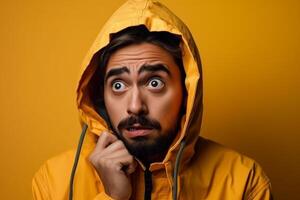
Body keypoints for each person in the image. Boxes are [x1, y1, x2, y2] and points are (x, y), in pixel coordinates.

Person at [32, 0, 273, 199]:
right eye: (118, 85)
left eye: (154, 83)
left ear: (188, 92)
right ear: (100, 97)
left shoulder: (245, 181)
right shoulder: (54, 183)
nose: (135, 106)